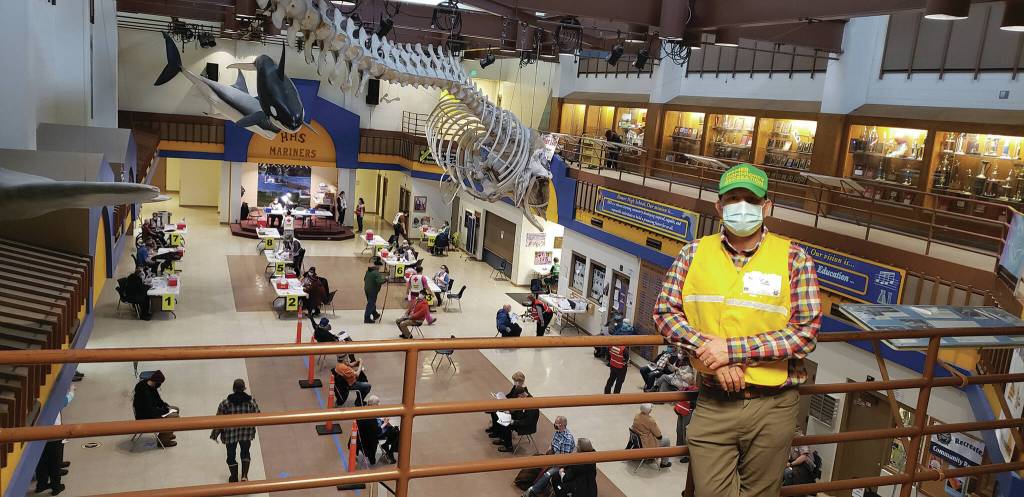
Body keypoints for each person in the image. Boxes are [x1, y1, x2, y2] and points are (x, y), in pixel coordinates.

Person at [653, 163, 821, 497]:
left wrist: (732, 351)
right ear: (719, 206)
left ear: (766, 207)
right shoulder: (693, 253)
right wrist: (713, 355)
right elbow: (664, 313)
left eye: (751, 199)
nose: (742, 206)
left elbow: (805, 332)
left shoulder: (794, 259)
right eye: (733, 199)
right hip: (715, 399)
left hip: (774, 405)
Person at [210, 379, 260, 482]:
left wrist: (214, 435)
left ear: (233, 389)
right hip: (246, 434)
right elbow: (258, 416)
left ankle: (233, 477)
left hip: (230, 435)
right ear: (244, 388)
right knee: (245, 452)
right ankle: (244, 476)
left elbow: (218, 420)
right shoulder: (251, 401)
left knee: (231, 456)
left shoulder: (225, 403)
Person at [520, 416, 575, 497]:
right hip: (551, 456)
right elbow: (551, 445)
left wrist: (551, 460)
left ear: (562, 425)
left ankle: (532, 490)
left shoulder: (567, 439)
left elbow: (564, 459)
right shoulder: (557, 432)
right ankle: (524, 481)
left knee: (548, 474)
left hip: (560, 464)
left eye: (557, 423)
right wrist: (548, 453)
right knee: (535, 459)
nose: (555, 424)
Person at [132, 370, 178, 447]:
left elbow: (158, 399)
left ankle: (167, 433)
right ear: (156, 382)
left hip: (150, 412)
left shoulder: (150, 385)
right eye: (159, 383)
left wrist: (165, 405)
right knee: (174, 417)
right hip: (145, 417)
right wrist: (165, 410)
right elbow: (150, 411)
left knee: (176, 409)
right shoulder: (144, 392)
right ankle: (163, 441)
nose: (160, 385)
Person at [357, 395, 401, 465]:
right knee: (396, 432)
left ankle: (387, 446)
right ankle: (389, 452)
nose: (379, 405)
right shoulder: (371, 417)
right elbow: (378, 431)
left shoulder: (365, 409)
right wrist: (385, 423)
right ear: (375, 405)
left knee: (393, 430)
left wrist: (381, 420)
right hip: (372, 436)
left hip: (366, 433)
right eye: (378, 404)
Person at [631, 403, 672, 468]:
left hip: (638, 442)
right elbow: (659, 435)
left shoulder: (637, 416)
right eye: (651, 408)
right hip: (647, 444)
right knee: (666, 440)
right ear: (649, 410)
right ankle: (664, 463)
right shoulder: (650, 421)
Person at [674, 383, 698, 463]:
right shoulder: (691, 387)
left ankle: (686, 454)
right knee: (679, 430)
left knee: (685, 431)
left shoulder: (697, 390)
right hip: (683, 409)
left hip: (689, 411)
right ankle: (679, 448)